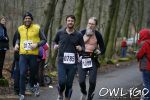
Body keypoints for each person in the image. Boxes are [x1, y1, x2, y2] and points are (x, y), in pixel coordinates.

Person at [14, 12, 46, 100]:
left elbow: (44, 40)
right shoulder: (20, 28)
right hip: (23, 54)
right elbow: (18, 38)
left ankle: (32, 85)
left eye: (29, 18)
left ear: (31, 20)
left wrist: (37, 44)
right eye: (26, 18)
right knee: (22, 73)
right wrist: (17, 44)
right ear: (23, 20)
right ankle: (21, 93)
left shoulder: (37, 28)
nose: (27, 20)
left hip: (33, 55)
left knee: (33, 72)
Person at [53, 15, 85, 100]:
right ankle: (60, 93)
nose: (70, 22)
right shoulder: (60, 32)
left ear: (74, 22)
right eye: (68, 20)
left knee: (69, 84)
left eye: (72, 21)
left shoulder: (78, 35)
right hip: (61, 62)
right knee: (62, 82)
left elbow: (83, 47)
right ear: (66, 22)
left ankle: (67, 97)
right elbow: (54, 41)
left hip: (73, 63)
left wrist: (80, 48)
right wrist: (55, 45)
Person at [78, 17, 105, 100]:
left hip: (92, 58)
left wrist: (100, 51)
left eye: (92, 24)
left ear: (95, 25)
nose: (90, 25)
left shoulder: (98, 34)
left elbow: (103, 48)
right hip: (82, 57)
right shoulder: (81, 32)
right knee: (81, 81)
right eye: (89, 23)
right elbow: (75, 43)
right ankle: (84, 92)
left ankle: (90, 96)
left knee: (92, 81)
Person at [136, 28, 150, 100]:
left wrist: (137, 55)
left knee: (146, 84)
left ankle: (147, 98)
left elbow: (140, 54)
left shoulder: (145, 43)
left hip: (146, 67)